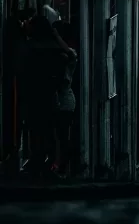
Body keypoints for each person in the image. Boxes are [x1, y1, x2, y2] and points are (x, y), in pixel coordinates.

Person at [20, 15, 66, 176]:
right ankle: (52, 161)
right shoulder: (55, 47)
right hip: (50, 94)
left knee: (35, 128)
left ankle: (37, 160)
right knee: (49, 129)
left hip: (34, 94)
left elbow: (23, 71)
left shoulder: (30, 47)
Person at [52, 22, 77, 177]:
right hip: (60, 100)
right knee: (58, 134)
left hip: (65, 101)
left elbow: (68, 53)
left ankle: (62, 166)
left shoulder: (70, 54)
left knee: (62, 135)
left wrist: (55, 36)